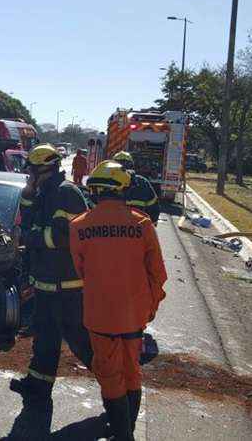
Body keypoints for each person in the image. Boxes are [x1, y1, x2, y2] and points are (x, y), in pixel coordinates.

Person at [70, 160, 167, 440]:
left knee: (110, 374)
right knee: (131, 370)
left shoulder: (79, 227)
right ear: (123, 189)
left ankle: (123, 434)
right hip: (134, 314)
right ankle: (128, 431)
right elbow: (158, 273)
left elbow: (81, 271)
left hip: (99, 315)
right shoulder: (142, 223)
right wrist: (150, 307)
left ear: (96, 190)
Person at [10, 143, 93, 400]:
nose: (29, 175)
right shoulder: (45, 192)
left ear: (44, 169)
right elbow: (27, 215)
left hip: (67, 286)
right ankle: (38, 387)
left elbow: (63, 237)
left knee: (80, 342)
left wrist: (28, 238)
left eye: (32, 172)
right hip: (47, 282)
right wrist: (28, 192)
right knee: (45, 338)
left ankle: (116, 390)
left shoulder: (65, 193)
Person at [112, 151, 160, 223]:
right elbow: (154, 209)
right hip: (137, 230)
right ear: (132, 166)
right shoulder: (143, 182)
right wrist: (149, 226)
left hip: (113, 229)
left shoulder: (108, 183)